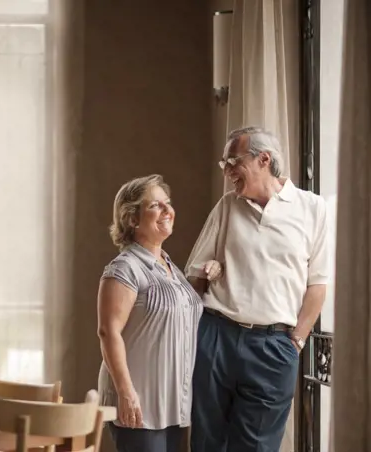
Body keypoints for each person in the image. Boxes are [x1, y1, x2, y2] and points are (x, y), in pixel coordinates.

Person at [185, 126, 329, 452]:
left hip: (275, 346)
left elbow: (318, 284)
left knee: (258, 447)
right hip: (216, 338)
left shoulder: (312, 208)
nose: (227, 173)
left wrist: (296, 342)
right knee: (208, 443)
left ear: (264, 159)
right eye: (224, 165)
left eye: (233, 162)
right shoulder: (227, 206)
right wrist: (196, 335)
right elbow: (195, 277)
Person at [97, 175, 216, 452]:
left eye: (168, 203)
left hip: (174, 403)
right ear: (132, 219)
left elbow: (180, 312)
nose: (167, 211)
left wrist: (212, 272)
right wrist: (126, 393)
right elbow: (108, 331)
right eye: (155, 205)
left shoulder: (170, 268)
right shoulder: (124, 268)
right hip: (140, 404)